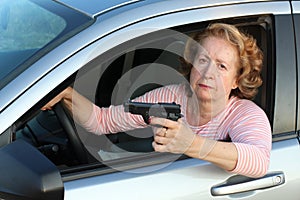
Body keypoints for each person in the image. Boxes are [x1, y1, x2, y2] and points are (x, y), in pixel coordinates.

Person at [42, 23, 271, 178]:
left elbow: (259, 161)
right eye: (202, 59)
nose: (207, 72)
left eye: (221, 66)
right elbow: (102, 121)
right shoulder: (170, 97)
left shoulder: (245, 114)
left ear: (236, 80)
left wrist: (191, 144)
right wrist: (68, 94)